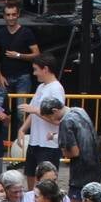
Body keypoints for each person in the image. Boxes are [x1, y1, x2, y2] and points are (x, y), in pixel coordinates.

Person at [17, 56, 66, 185]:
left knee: (46, 181)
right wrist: (22, 129)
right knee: (30, 175)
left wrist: (35, 110)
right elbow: (33, 111)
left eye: (36, 69)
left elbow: (57, 119)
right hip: (35, 141)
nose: (34, 73)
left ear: (45, 69)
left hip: (49, 144)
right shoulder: (41, 87)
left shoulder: (56, 88)